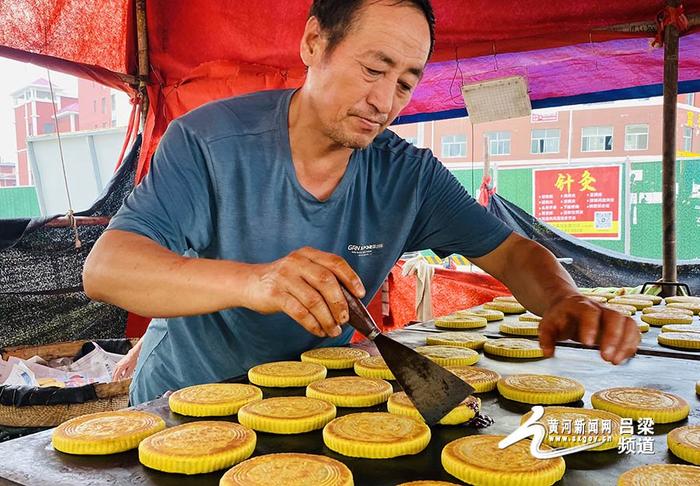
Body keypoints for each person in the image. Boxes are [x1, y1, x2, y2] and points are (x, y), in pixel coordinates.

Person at [85, 0, 640, 405]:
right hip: (188, 401)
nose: (384, 101)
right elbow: (108, 270)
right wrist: (257, 282)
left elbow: (512, 253)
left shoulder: (408, 176)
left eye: (405, 82)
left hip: (316, 401)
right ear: (312, 44)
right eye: (373, 69)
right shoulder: (208, 142)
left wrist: (565, 300)